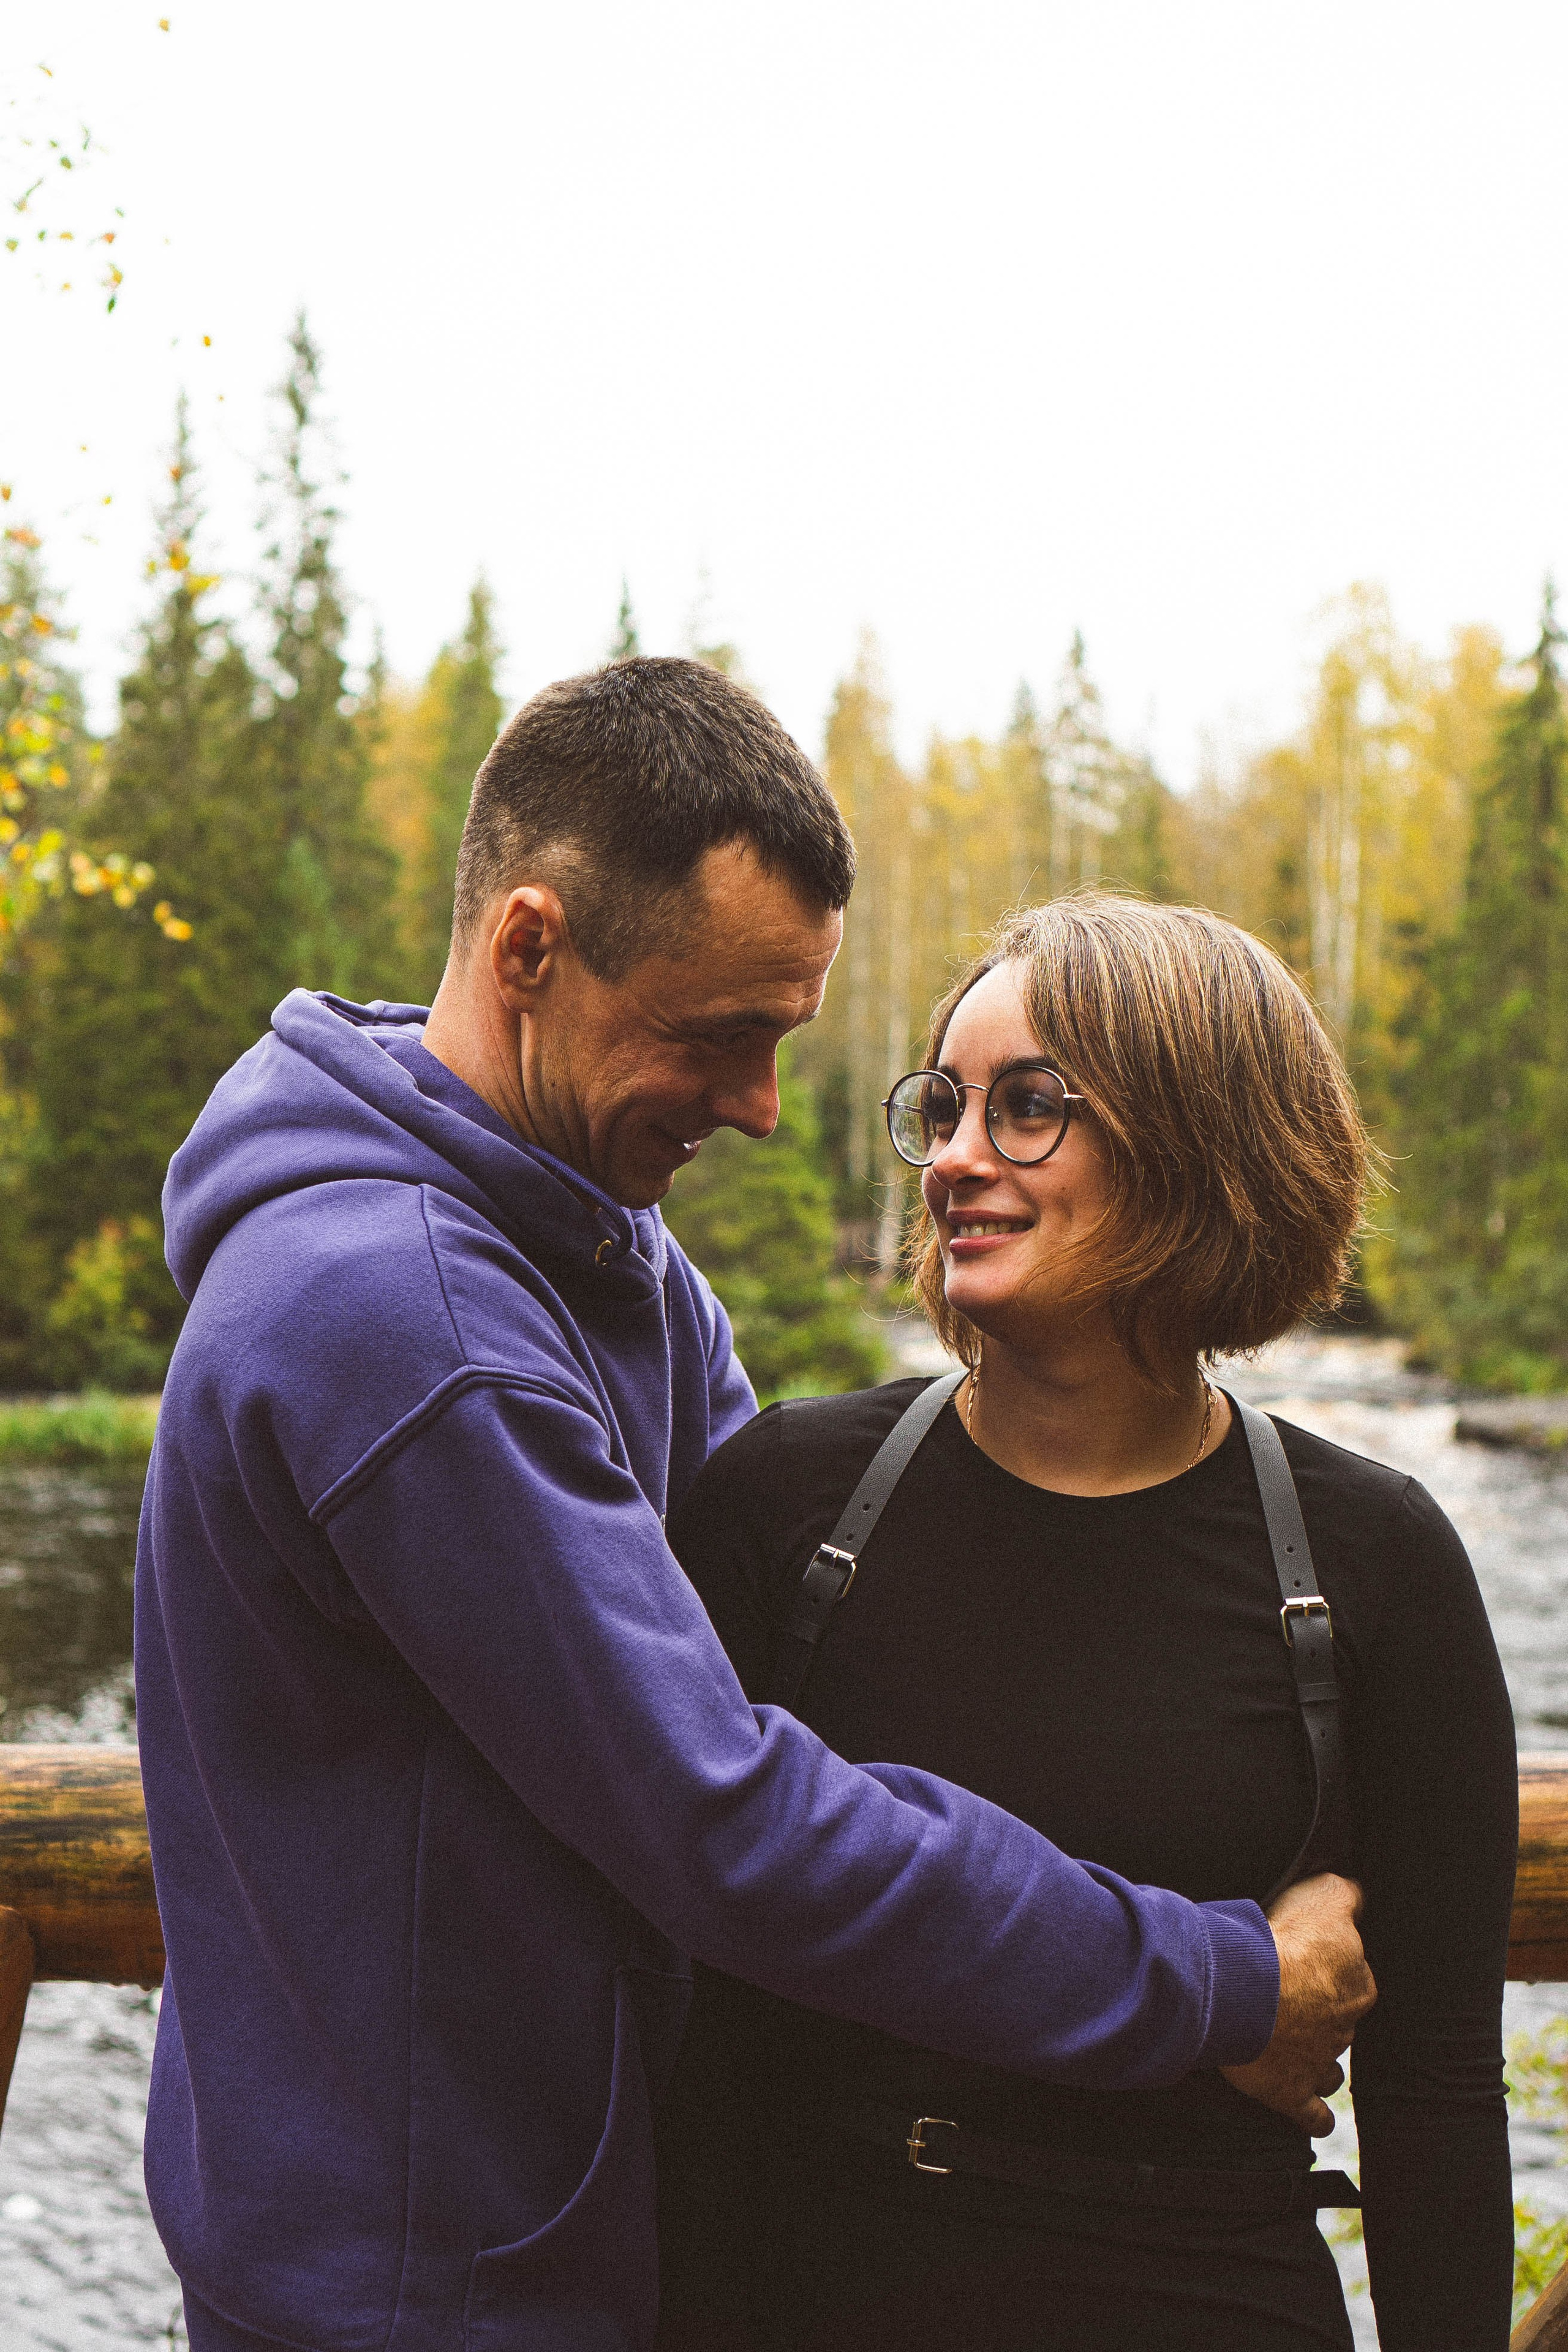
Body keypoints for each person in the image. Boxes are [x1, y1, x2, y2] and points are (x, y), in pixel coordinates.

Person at [137, 664, 1370, 2352]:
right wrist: (1211, 1979)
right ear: (529, 950)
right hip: (427, 2291)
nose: (761, 1108)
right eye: (716, 1037)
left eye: (782, 1041)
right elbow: (723, 1815)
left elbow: (814, 1655)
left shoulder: (599, 1255)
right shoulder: (409, 1326)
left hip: (589, 2241)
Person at [656, 894, 1516, 2352]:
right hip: (825, 2296)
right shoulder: (787, 1509)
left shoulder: (1373, 1565)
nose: (957, 1159)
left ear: (1197, 1140)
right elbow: (689, 2044)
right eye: (943, 1105)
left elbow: (1432, 2095)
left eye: (1031, 1106)